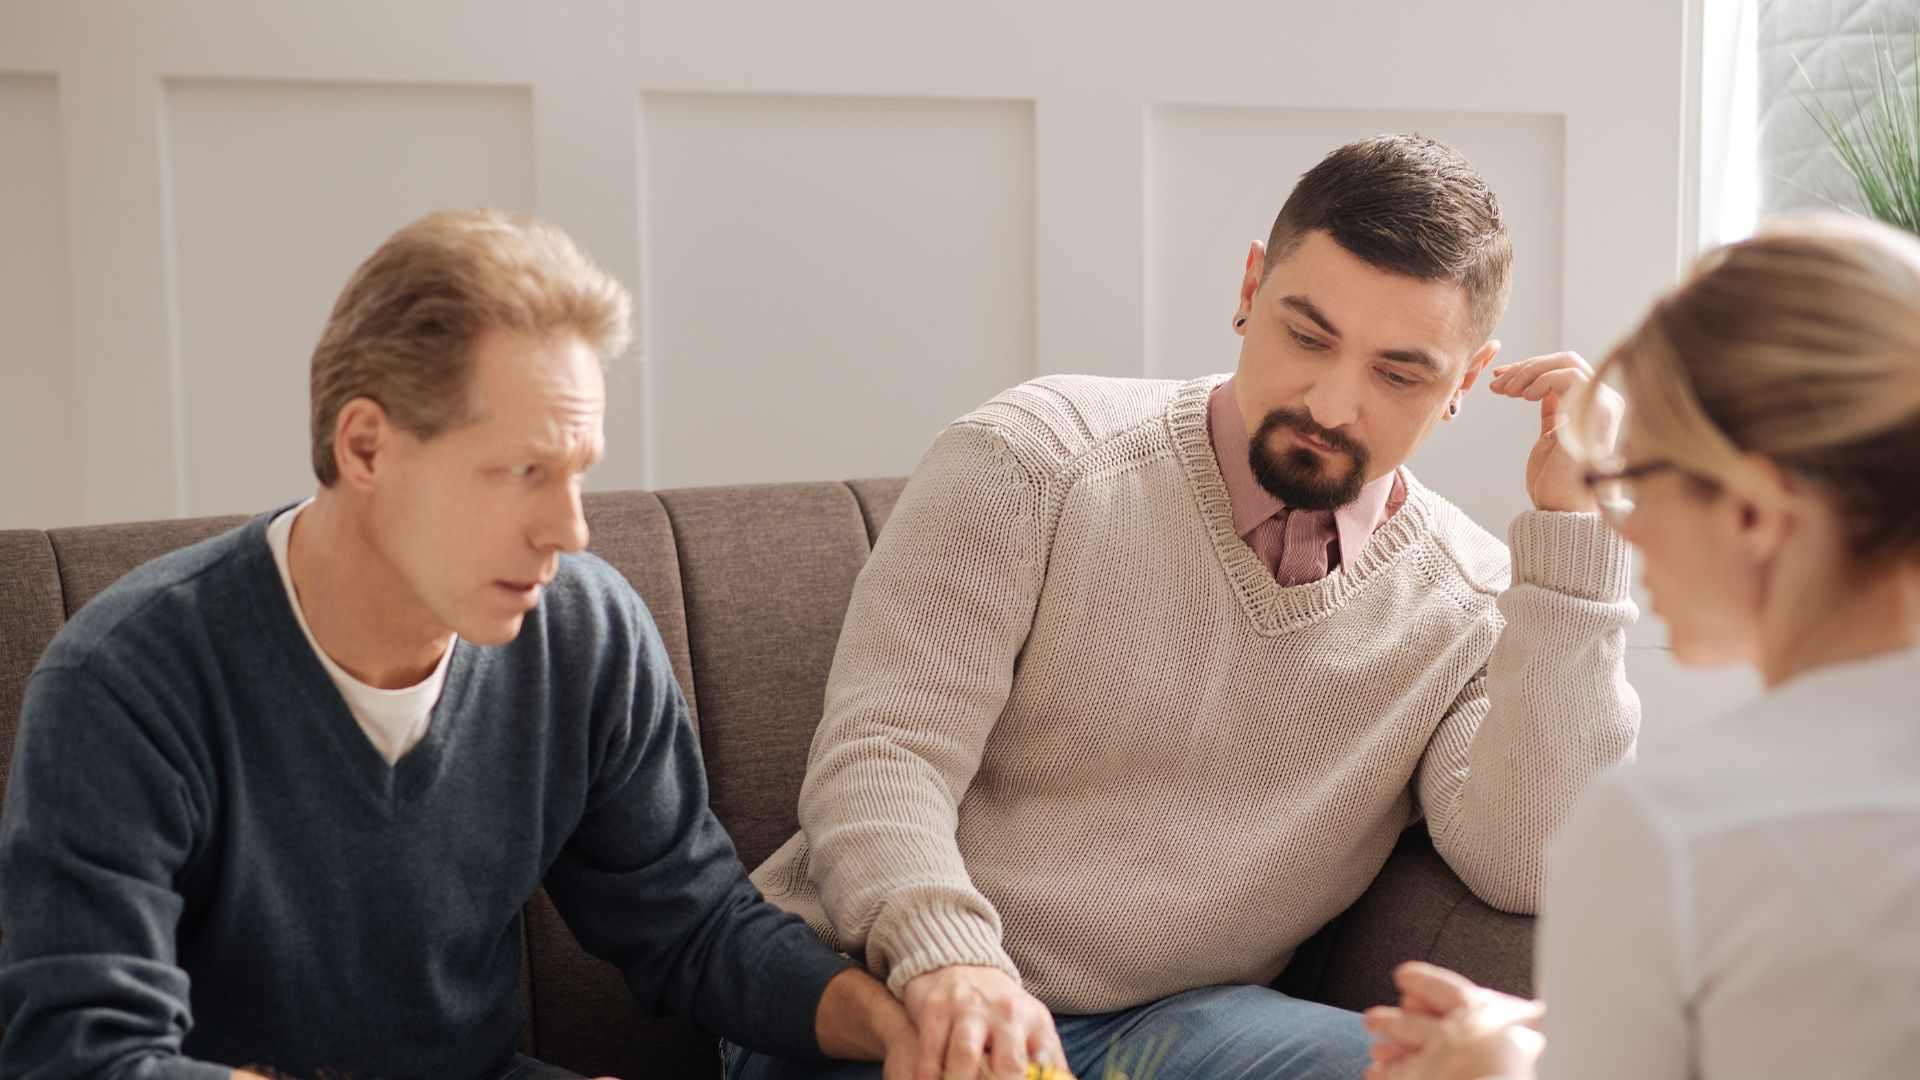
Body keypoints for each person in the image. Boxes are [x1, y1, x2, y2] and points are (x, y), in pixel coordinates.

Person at [728, 134, 1642, 1080]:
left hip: (1182, 1026)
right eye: (1307, 334)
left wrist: (1577, 532)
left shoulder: (1468, 606)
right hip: (886, 1000)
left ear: (1462, 382)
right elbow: (882, 758)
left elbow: (1527, 861)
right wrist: (950, 962)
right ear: (1251, 290)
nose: (1331, 403)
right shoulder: (1033, 461)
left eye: (1398, 373)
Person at [0, 209, 914, 1080]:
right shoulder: (121, 683)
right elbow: (85, 1056)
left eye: (578, 472)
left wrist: (905, 1027)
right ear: (365, 446)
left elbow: (695, 928)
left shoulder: (582, 632)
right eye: (522, 472)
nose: (571, 529)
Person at [1361, 214, 1920, 1079]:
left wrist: (1500, 1073)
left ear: (1752, 514)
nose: (1621, 519)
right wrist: (1563, 1026)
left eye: (1636, 476)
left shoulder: (1671, 833)